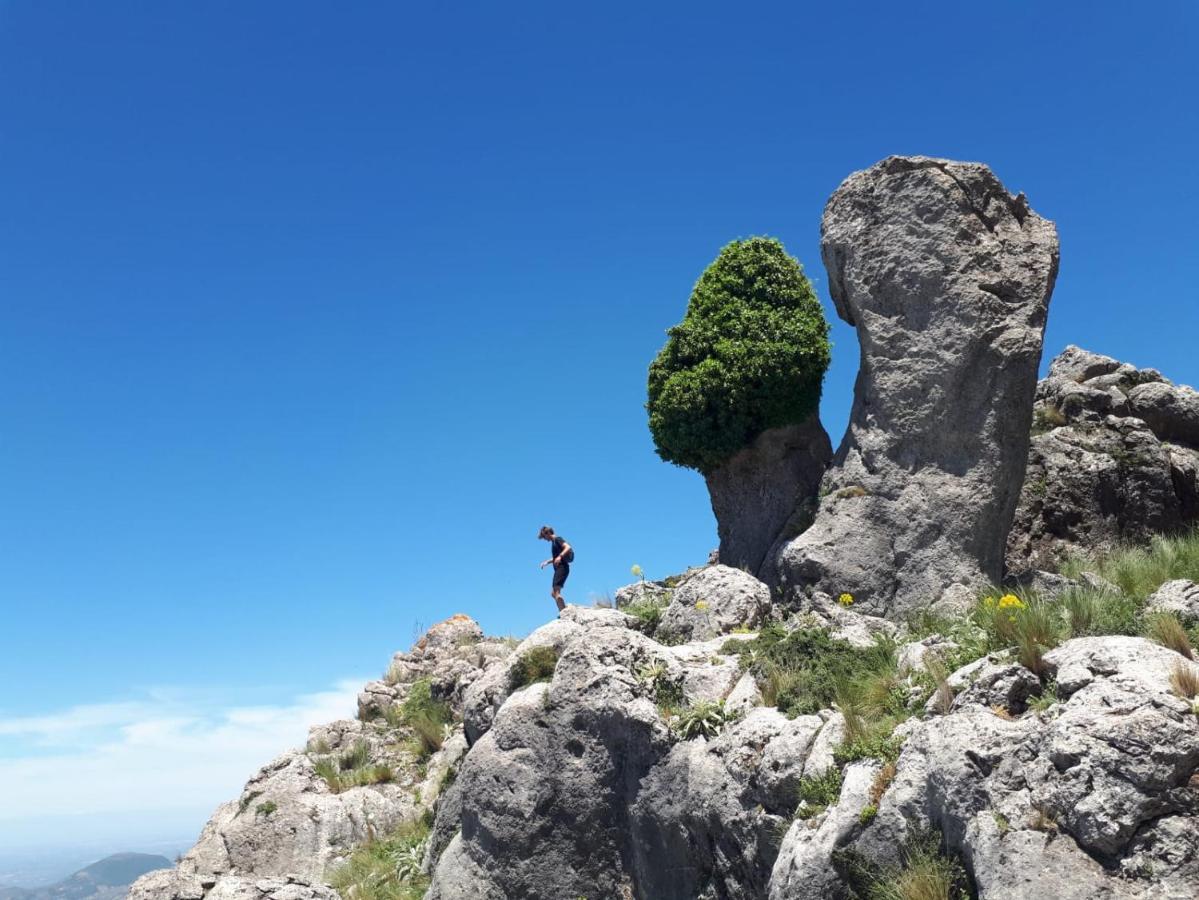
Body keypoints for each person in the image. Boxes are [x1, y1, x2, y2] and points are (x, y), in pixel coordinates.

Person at [538, 525, 573, 611]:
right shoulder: (554, 543)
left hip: (562, 568)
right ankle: (563, 610)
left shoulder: (557, 539)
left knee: (556, 592)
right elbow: (555, 558)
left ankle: (564, 612)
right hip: (560, 569)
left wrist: (560, 556)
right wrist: (547, 562)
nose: (545, 539)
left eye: (544, 536)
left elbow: (568, 547)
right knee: (553, 593)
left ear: (548, 533)